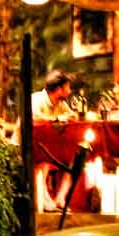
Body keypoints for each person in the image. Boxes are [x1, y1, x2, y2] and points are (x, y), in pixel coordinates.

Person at [32, 70, 76, 210]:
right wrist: (55, 119)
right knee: (44, 160)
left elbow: (70, 115)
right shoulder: (36, 99)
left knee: (72, 161)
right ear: (58, 89)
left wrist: (71, 116)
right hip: (30, 147)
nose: (69, 91)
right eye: (67, 87)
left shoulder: (60, 103)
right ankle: (43, 200)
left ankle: (60, 199)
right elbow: (34, 117)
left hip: (50, 146)